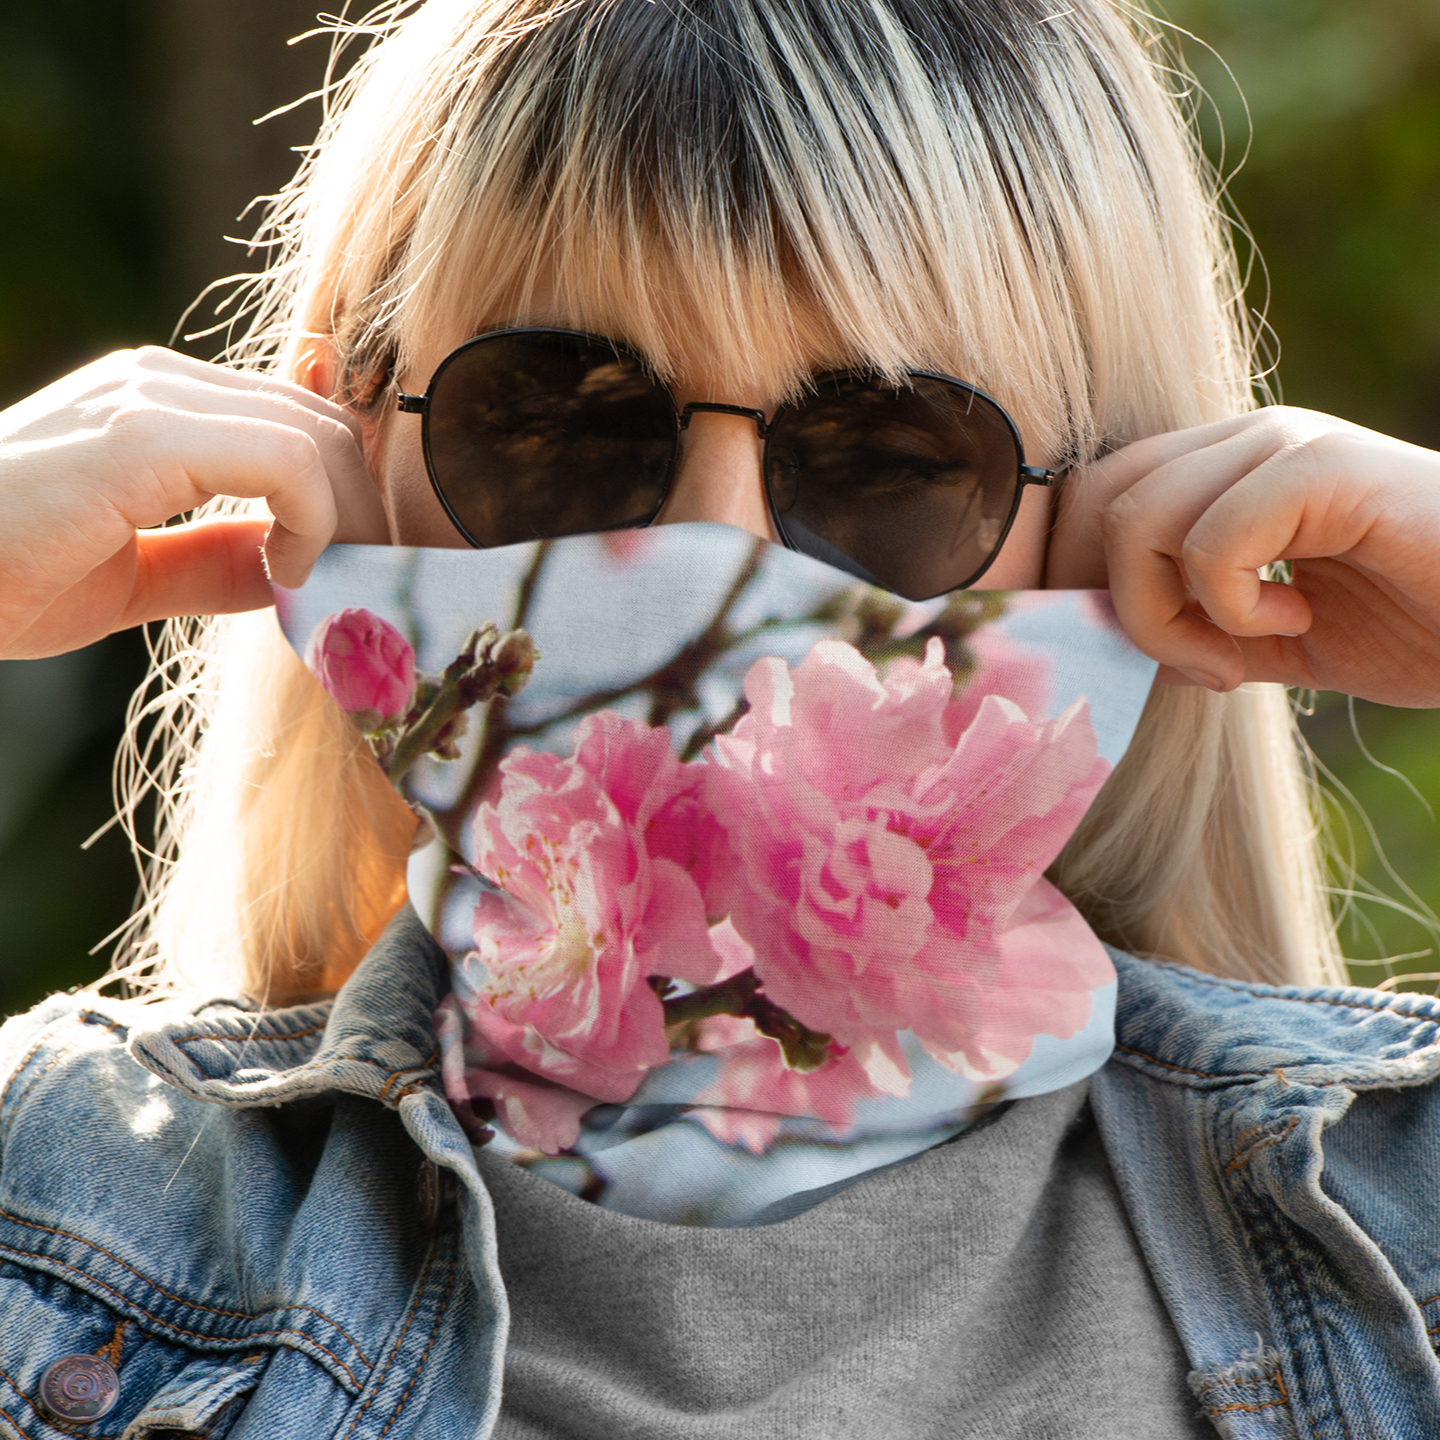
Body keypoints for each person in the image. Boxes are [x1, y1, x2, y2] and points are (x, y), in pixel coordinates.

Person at [2, 0, 1440, 1435]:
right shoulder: (50, 1195)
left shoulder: (1406, 1223)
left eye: (893, 457)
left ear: (1117, 520)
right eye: (554, 419)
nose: (711, 551)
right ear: (345, 453)